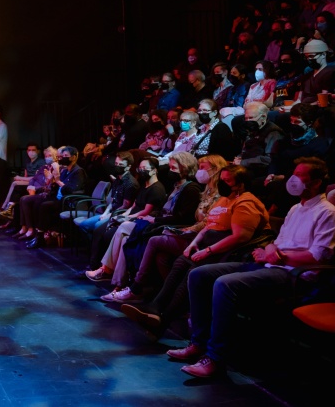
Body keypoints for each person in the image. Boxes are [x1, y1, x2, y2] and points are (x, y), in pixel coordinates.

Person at [167, 157, 335, 378]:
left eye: (299, 176)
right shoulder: (295, 208)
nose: (292, 179)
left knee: (224, 284)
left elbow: (317, 256)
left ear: (315, 182)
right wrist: (270, 249)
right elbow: (279, 240)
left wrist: (278, 256)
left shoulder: (328, 213)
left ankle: (216, 358)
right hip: (271, 263)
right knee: (199, 274)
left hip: (295, 275)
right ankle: (198, 343)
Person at [120, 164, 271, 336]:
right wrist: (194, 244)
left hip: (229, 251)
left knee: (193, 270)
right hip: (208, 243)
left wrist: (207, 251)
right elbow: (208, 225)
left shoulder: (246, 202)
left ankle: (163, 320)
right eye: (221, 180)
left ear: (241, 184)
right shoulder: (223, 199)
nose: (222, 183)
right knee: (180, 261)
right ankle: (154, 308)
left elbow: (239, 237)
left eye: (227, 181)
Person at [113, 155, 227, 303]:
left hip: (199, 238)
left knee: (149, 239)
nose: (199, 171)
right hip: (188, 232)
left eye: (203, 168)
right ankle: (169, 297)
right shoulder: (205, 191)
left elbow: (199, 221)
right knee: (158, 255)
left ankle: (135, 288)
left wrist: (164, 222)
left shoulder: (204, 192)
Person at [99, 151, 201, 301]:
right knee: (126, 237)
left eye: (174, 169)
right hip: (160, 222)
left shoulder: (190, 188)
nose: (170, 171)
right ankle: (119, 281)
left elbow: (180, 216)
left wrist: (154, 220)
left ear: (185, 169)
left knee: (128, 232)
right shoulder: (176, 186)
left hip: (170, 227)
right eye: (170, 168)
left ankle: (125, 282)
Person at [85, 156, 167, 282]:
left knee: (109, 234)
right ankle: (104, 269)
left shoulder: (157, 189)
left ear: (154, 170)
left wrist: (127, 217)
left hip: (140, 220)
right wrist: (124, 215)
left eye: (144, 168)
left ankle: (107, 270)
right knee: (103, 231)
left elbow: (146, 211)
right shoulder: (144, 186)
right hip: (131, 217)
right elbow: (134, 205)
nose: (141, 171)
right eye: (140, 168)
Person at [0, 142, 45, 221]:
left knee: (15, 184)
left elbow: (36, 177)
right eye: (29, 150)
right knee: (15, 183)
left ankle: (5, 208)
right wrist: (21, 178)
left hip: (35, 183)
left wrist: (21, 178)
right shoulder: (28, 162)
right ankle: (6, 209)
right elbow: (26, 175)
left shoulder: (41, 162)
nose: (31, 152)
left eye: (33, 150)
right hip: (28, 182)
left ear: (38, 151)